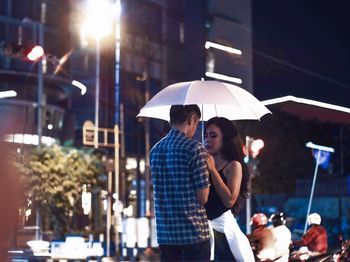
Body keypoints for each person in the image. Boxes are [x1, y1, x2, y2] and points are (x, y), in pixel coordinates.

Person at [149, 105, 211, 262]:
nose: (196, 128)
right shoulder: (195, 149)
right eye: (197, 123)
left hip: (166, 236)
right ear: (192, 119)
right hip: (193, 234)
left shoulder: (155, 150)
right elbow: (203, 197)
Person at [204, 117, 254, 262]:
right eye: (206, 135)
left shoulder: (233, 165)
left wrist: (213, 170)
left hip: (223, 234)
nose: (208, 140)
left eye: (213, 136)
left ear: (225, 138)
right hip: (202, 232)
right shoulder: (202, 163)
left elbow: (229, 200)